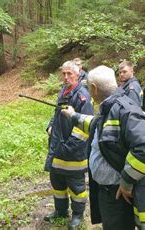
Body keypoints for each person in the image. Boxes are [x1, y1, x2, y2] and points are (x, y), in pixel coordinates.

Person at [61, 65, 145, 230]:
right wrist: (73, 116)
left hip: (120, 193)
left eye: (89, 88)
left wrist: (126, 181)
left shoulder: (124, 110)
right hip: (111, 192)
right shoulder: (110, 107)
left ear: (94, 89)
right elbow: (99, 126)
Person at [44, 60, 94, 229]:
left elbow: (84, 127)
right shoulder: (64, 91)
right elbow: (56, 112)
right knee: (57, 181)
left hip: (73, 151)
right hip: (57, 146)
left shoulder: (83, 96)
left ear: (77, 74)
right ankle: (60, 210)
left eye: (69, 74)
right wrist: (50, 125)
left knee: (76, 185)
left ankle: (78, 215)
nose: (65, 77)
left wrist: (67, 148)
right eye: (63, 74)